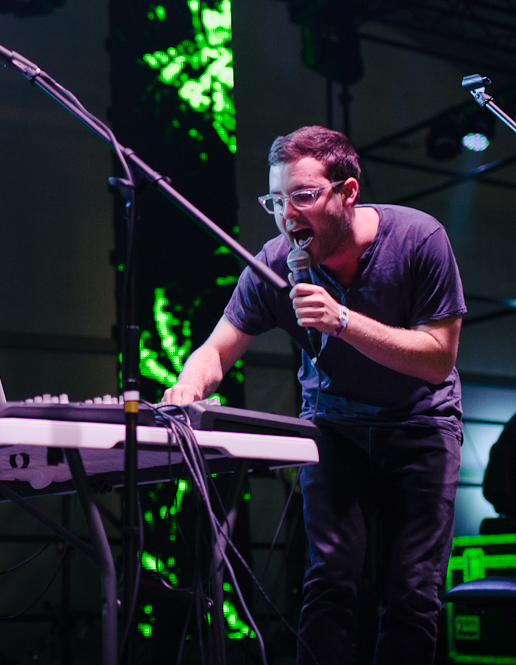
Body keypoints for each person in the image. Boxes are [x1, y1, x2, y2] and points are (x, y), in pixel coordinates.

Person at [163, 126, 464, 664]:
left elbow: (439, 357)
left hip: (420, 425)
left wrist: (343, 321)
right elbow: (216, 351)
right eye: (276, 200)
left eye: (302, 197)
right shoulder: (275, 261)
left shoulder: (420, 240)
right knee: (327, 585)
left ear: (347, 192)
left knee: (412, 593)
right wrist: (189, 385)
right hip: (333, 430)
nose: (286, 215)